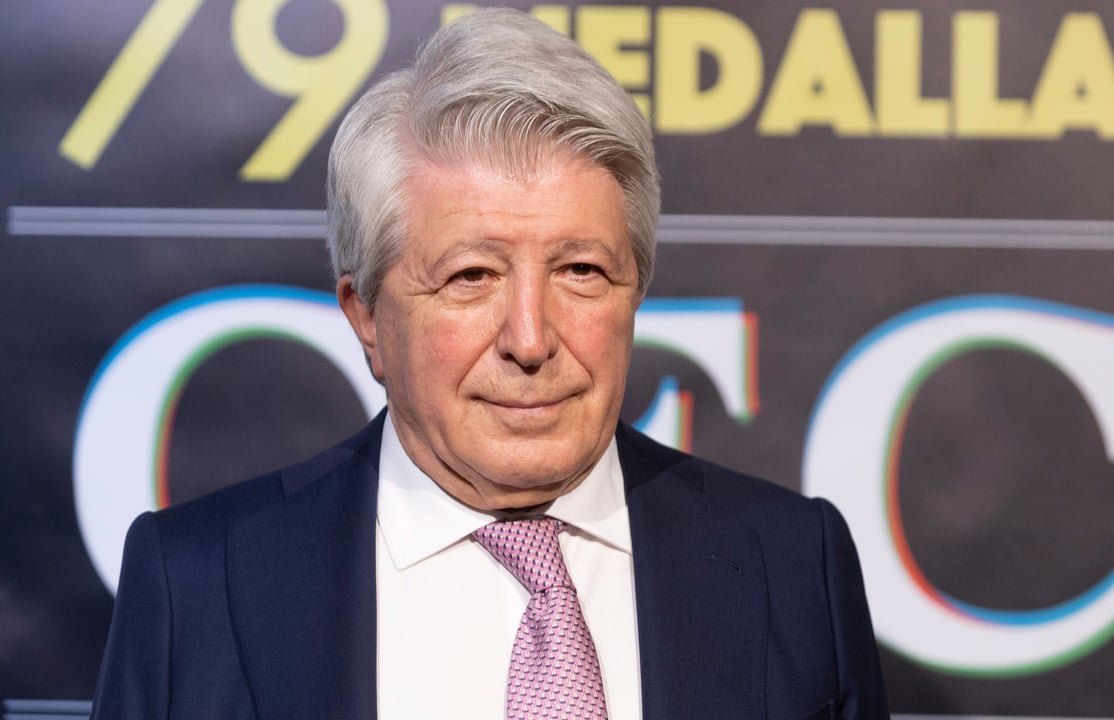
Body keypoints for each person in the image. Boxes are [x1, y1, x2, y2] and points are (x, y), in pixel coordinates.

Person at [90, 8, 888, 720]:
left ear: (635, 292)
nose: (531, 340)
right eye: (472, 276)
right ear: (366, 316)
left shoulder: (793, 565)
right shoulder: (198, 582)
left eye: (581, 271)